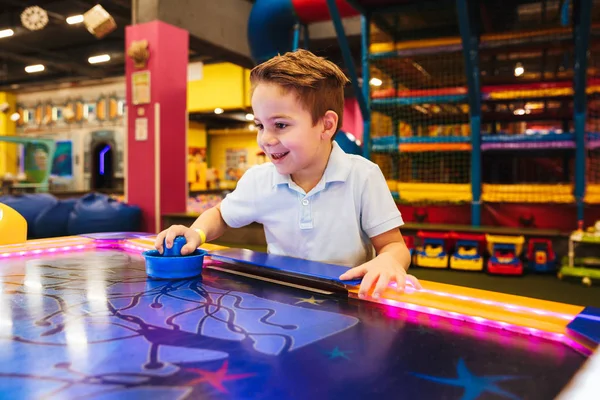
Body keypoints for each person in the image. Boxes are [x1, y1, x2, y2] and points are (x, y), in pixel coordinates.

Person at [155, 49, 421, 299]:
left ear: (326, 125)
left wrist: (387, 260)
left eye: (280, 125)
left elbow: (394, 246)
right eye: (260, 125)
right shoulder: (260, 180)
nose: (266, 139)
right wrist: (197, 233)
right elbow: (220, 215)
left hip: (347, 299)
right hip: (283, 296)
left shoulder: (362, 176)